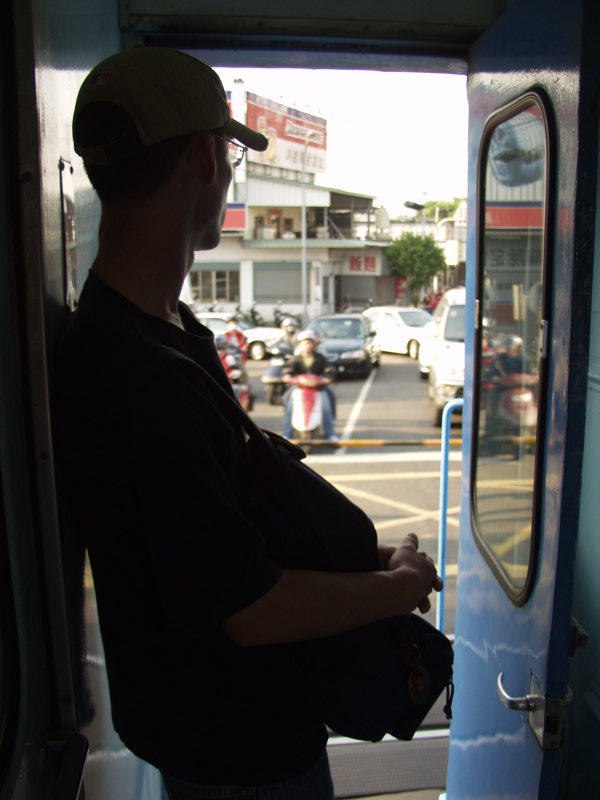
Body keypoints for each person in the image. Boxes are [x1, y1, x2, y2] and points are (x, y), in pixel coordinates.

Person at [53, 46, 442, 800]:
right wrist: (395, 589)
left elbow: (221, 523)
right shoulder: (136, 375)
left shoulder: (162, 331)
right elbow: (248, 607)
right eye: (230, 157)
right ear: (204, 157)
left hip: (235, 728)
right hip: (240, 754)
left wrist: (363, 561)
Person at [282, 330, 337, 441]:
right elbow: (288, 370)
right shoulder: (295, 359)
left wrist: (327, 378)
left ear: (313, 345)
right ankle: (287, 434)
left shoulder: (320, 358)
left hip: (318, 388)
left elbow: (329, 369)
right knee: (289, 406)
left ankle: (330, 434)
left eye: (309, 343)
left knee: (327, 406)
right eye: (305, 343)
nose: (307, 345)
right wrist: (287, 376)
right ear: (300, 345)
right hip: (299, 388)